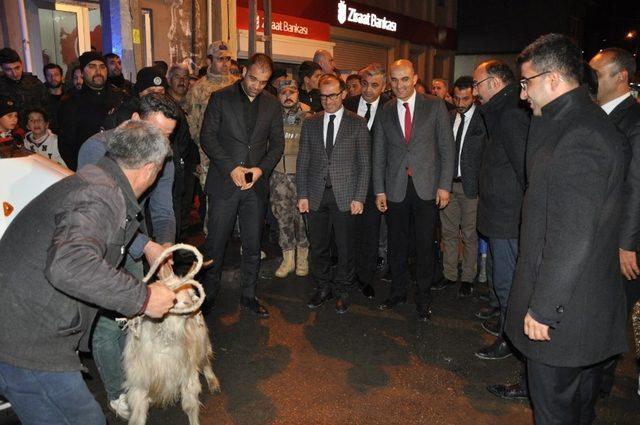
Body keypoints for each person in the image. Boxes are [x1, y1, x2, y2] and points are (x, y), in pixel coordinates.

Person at [0, 120, 177, 425]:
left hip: (16, 332)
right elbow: (70, 263)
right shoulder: (101, 195)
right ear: (151, 169)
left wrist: (146, 248)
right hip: (29, 343)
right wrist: (144, 297)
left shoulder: (96, 180)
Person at [506, 33, 628, 424]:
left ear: (553, 78)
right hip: (579, 311)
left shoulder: (580, 135)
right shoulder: (575, 122)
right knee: (576, 411)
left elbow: (571, 234)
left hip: (567, 317)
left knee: (557, 412)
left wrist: (543, 310)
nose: (523, 95)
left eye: (526, 83)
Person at [78, 93, 178, 419]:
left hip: (135, 239)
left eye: (167, 137)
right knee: (107, 323)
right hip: (96, 243)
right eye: (155, 132)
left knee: (135, 317)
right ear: (135, 120)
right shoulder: (97, 149)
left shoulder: (165, 156)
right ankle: (117, 392)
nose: (160, 143)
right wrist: (147, 248)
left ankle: (134, 376)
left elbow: (163, 210)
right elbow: (106, 214)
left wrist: (163, 248)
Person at [199, 53, 284, 317]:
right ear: (244, 71)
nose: (256, 86)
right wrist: (231, 168)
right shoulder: (221, 97)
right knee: (216, 243)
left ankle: (249, 295)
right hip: (225, 183)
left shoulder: (271, 104)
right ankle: (208, 295)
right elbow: (207, 138)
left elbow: (278, 144)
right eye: (253, 79)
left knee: (252, 243)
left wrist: (261, 170)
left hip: (255, 187)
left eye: (263, 82)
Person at [373, 59, 454, 321]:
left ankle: (423, 298)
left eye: (405, 79)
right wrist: (379, 190)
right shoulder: (385, 110)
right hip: (395, 188)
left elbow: (446, 148)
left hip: (427, 187)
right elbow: (379, 153)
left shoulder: (434, 105)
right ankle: (397, 292)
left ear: (415, 78)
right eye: (394, 80)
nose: (399, 85)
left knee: (424, 246)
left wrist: (444, 185)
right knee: (397, 244)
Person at [471, 59, 529, 364]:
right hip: (499, 215)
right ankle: (507, 329)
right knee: (500, 278)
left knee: (508, 283)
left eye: (478, 84)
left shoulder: (509, 115)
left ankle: (510, 341)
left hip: (508, 218)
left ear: (494, 83)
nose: (474, 92)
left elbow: (524, 170)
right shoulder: (501, 111)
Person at [589, 47, 640, 395]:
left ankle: (600, 381)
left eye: (598, 73)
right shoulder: (598, 114)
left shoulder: (633, 121)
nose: (591, 79)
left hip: (617, 239)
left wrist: (627, 243)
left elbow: (636, 186)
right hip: (598, 231)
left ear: (621, 76)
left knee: (612, 312)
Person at [297, 74, 370, 314]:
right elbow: (303, 161)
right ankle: (322, 287)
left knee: (345, 246)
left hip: (346, 195)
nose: (327, 101)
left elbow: (364, 164)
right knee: (318, 246)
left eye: (332, 95)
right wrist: (302, 194)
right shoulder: (310, 123)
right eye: (323, 96)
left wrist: (359, 196)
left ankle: (342, 290)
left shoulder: (357, 123)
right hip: (316, 195)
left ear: (343, 94)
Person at [343, 62, 391, 299]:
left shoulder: (389, 108)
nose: (368, 90)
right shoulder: (348, 105)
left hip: (375, 183)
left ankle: (365, 278)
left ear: (384, 86)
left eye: (374, 85)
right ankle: (347, 275)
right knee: (347, 231)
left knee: (371, 233)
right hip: (347, 180)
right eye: (364, 84)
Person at [439, 76, 486, 297]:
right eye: (456, 98)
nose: (460, 103)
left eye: (465, 98)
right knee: (448, 233)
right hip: (448, 185)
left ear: (474, 95)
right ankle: (449, 274)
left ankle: (468, 277)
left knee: (469, 234)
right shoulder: (448, 117)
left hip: (471, 187)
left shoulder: (483, 119)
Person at [184, 41, 238, 195]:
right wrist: (202, 148)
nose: (225, 63)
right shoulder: (198, 89)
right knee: (213, 203)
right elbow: (192, 124)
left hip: (235, 153)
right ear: (209, 61)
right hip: (209, 156)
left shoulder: (238, 86)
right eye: (220, 59)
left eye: (228, 59)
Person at [270, 79, 312, 278]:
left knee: (302, 219)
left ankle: (303, 258)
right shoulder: (271, 116)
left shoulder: (308, 116)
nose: (288, 95)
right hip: (278, 177)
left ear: (298, 94)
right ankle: (288, 260)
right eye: (283, 92)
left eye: (292, 92)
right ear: (278, 95)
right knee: (282, 218)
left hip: (301, 176)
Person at [58, 51, 128, 170]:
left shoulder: (120, 98)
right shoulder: (71, 103)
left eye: (102, 67)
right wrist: (80, 170)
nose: (98, 71)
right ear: (82, 72)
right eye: (92, 66)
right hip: (88, 169)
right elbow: (66, 145)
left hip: (120, 168)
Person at [0, 47, 50, 129]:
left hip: (37, 132)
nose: (14, 74)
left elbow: (48, 109)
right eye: (8, 70)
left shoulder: (35, 83)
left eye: (17, 68)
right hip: (11, 136)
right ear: (2, 68)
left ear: (21, 64)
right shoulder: (1, 87)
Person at [43, 63, 65, 131]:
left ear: (62, 77)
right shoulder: (41, 98)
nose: (53, 78)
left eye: (56, 75)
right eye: (49, 75)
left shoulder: (70, 95)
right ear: (45, 78)